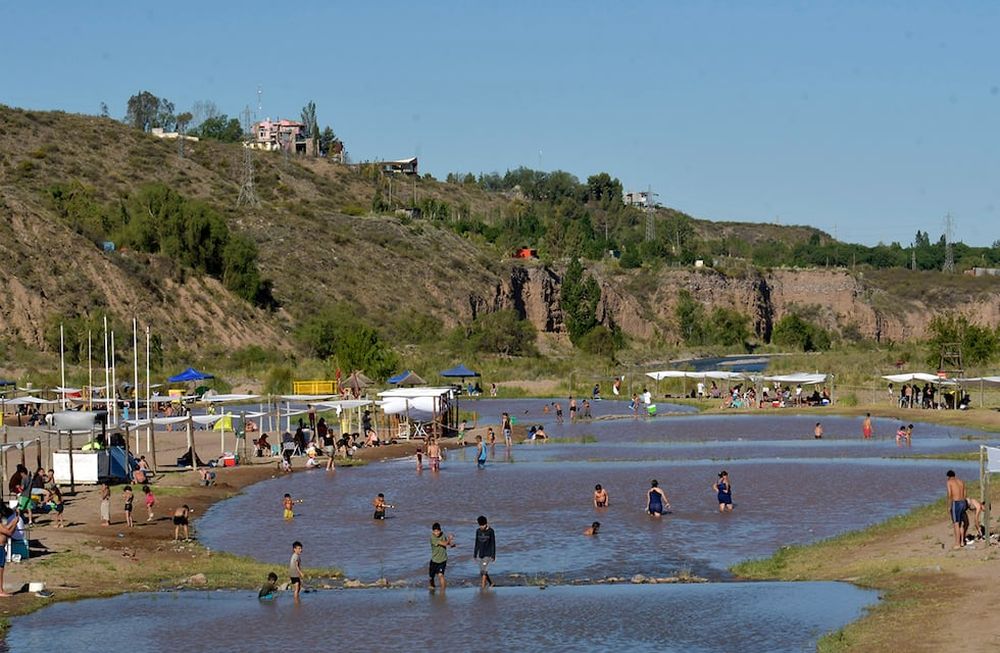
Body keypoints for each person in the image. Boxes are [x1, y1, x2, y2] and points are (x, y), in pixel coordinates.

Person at [429, 522, 456, 591]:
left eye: (438, 531)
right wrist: (449, 539)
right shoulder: (432, 537)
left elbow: (446, 543)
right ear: (433, 532)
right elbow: (444, 543)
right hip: (434, 560)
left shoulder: (442, 535)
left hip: (443, 560)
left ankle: (443, 592)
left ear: (440, 530)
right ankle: (432, 586)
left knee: (441, 575)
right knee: (431, 577)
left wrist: (451, 545)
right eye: (435, 531)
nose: (437, 533)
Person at [946, 470, 968, 549]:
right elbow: (965, 493)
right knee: (961, 523)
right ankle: (962, 542)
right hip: (963, 502)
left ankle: (957, 543)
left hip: (956, 503)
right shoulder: (961, 481)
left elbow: (949, 494)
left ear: (948, 476)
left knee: (956, 523)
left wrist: (949, 506)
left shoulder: (949, 482)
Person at [473, 515, 496, 589]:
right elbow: (476, 543)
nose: (481, 527)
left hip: (488, 554)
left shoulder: (491, 531)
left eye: (483, 525)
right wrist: (475, 554)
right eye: (480, 525)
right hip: (481, 554)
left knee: (484, 572)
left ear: (486, 524)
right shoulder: (478, 531)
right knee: (482, 571)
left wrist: (493, 555)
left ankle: (482, 588)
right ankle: (491, 583)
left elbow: (493, 543)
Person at [0, 505, 18, 596]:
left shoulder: (1, 525)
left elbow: (7, 529)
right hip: (0, 548)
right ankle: (0, 591)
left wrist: (14, 522)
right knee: (0, 570)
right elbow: (9, 532)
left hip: (2, 548)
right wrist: (14, 523)